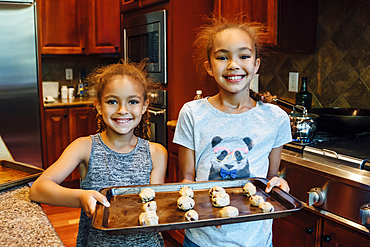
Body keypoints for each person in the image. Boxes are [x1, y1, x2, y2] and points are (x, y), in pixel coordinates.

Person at [173, 17, 292, 247]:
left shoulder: (275, 118)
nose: (233, 64)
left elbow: (270, 177)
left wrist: (278, 183)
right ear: (209, 66)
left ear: (256, 65)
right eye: (222, 57)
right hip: (203, 239)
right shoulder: (192, 113)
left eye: (244, 56)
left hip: (255, 239)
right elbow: (187, 179)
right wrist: (206, 208)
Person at [29, 60, 167, 247]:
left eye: (132, 101)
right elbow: (38, 189)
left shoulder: (157, 153)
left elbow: (154, 207)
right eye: (112, 101)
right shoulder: (84, 147)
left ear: (144, 106)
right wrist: (80, 197)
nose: (122, 110)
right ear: (99, 106)